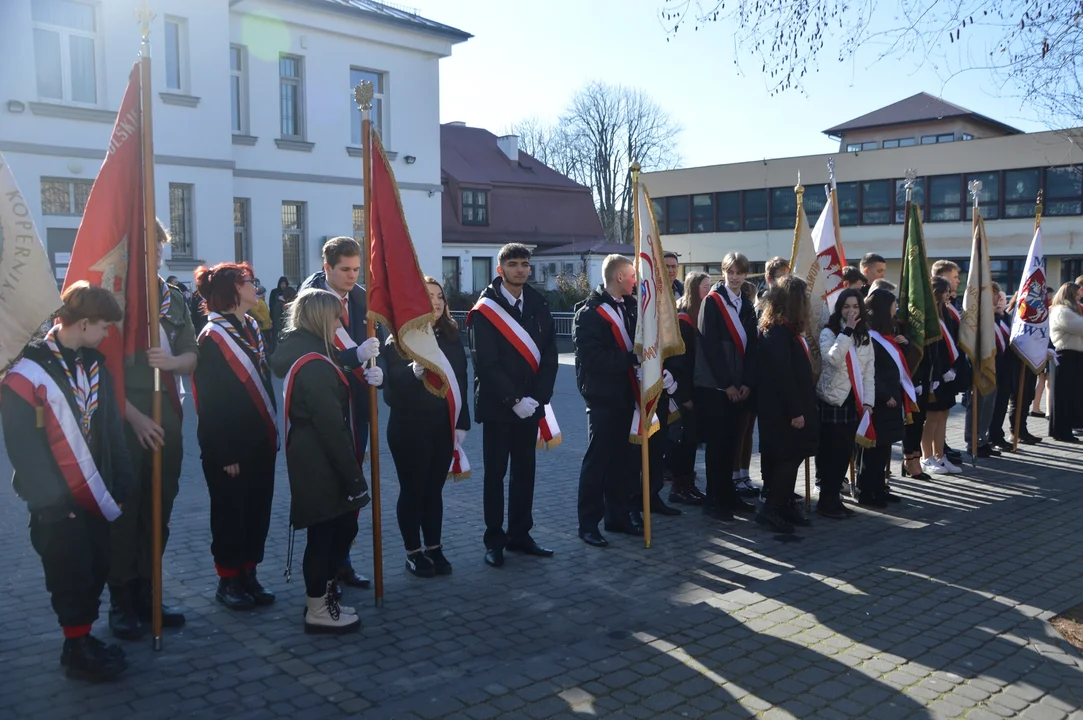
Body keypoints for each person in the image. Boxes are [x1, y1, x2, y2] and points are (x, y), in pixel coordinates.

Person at [1, 283, 133, 681]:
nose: (109, 333)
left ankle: (84, 638)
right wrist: (52, 502)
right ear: (84, 323)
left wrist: (121, 482)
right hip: (57, 502)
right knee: (69, 572)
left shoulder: (93, 364)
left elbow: (110, 430)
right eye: (105, 325)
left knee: (96, 566)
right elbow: (23, 446)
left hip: (95, 491)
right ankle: (75, 648)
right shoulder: (28, 371)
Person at [108, 220, 199, 641]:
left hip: (167, 411)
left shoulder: (173, 298)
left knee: (159, 506)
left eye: (160, 248)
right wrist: (132, 416)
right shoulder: (113, 299)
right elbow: (100, 371)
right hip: (126, 415)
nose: (157, 255)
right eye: (150, 248)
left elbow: (191, 354)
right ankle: (121, 599)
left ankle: (148, 589)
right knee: (126, 508)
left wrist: (172, 363)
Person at [271, 288, 381, 634]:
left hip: (315, 452)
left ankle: (325, 597)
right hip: (319, 456)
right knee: (325, 533)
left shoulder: (314, 350)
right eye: (336, 316)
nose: (341, 322)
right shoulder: (315, 363)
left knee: (336, 529)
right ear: (321, 317)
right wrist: (353, 477)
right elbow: (331, 426)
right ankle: (317, 607)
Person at [192, 263, 279, 611]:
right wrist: (223, 453)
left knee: (257, 509)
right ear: (232, 291)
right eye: (249, 282)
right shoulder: (212, 337)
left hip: (258, 439)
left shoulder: (252, 326)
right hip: (229, 448)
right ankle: (228, 579)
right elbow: (210, 401)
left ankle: (249, 573)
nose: (255, 287)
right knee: (231, 513)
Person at [469, 243, 558, 567]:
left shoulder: (537, 302)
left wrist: (538, 398)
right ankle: (494, 540)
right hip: (498, 407)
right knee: (495, 476)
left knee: (525, 473)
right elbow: (486, 363)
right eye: (513, 264)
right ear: (500, 269)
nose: (520, 269)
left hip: (530, 405)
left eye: (524, 264)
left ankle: (521, 535)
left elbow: (549, 355)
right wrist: (513, 399)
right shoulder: (485, 309)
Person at [300, 237, 382, 590]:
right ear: (327, 268)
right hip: (326, 412)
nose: (352, 277)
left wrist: (382, 373)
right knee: (330, 491)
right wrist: (354, 357)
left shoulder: (364, 298)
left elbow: (382, 346)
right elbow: (308, 356)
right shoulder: (308, 301)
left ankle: (343, 561)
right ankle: (325, 572)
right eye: (345, 270)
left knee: (352, 486)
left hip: (359, 409)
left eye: (356, 269)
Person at [386, 278, 470, 576]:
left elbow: (461, 378)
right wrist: (412, 373)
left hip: (442, 427)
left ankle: (434, 548)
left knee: (434, 491)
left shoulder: (450, 335)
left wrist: (462, 422)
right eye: (428, 296)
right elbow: (389, 393)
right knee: (413, 491)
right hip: (409, 429)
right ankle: (413, 552)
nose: (435, 302)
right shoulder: (401, 337)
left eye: (439, 297)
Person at [573, 254, 641, 547]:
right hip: (602, 397)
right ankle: (588, 524)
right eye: (633, 276)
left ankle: (618, 516)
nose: (636, 281)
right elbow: (592, 358)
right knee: (597, 463)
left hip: (628, 394)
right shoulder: (589, 313)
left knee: (624, 462)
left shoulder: (633, 306)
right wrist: (629, 358)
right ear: (619, 278)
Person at [694, 252, 758, 521]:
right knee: (718, 446)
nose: (734, 277)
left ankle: (729, 495)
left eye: (739, 272)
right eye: (729, 272)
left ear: (745, 275)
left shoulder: (747, 303)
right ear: (723, 272)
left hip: (739, 387)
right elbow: (710, 349)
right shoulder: (712, 302)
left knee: (733, 443)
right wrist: (727, 385)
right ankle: (714, 500)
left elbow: (753, 347)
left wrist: (746, 383)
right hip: (716, 388)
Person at [755, 275, 820, 534]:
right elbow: (782, 375)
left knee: (792, 457)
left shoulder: (787, 330)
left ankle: (783, 504)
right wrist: (796, 411)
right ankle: (771, 509)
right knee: (786, 458)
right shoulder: (777, 331)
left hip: (790, 408)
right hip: (783, 411)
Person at [814, 289, 874, 519]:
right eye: (847, 307)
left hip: (854, 400)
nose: (852, 311)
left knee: (844, 454)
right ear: (839, 309)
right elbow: (833, 358)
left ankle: (835, 500)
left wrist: (868, 402)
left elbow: (869, 371)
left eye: (856, 307)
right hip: (833, 400)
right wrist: (847, 330)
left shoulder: (864, 335)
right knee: (830, 453)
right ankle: (826, 501)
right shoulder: (829, 332)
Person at [861, 289, 907, 507]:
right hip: (880, 401)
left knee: (884, 449)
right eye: (892, 306)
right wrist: (885, 395)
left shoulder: (887, 333)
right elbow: (870, 371)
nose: (895, 310)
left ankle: (880, 487)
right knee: (874, 450)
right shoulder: (870, 337)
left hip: (891, 399)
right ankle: (868, 491)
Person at [668, 271, 711, 505]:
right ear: (694, 289)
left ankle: (689, 484)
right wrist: (684, 395)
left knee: (691, 440)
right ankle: (679, 487)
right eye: (705, 286)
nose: (709, 290)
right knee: (681, 441)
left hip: (695, 389)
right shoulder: (683, 318)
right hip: (682, 393)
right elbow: (680, 362)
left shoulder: (699, 314)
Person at [919, 276, 965, 475]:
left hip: (949, 374)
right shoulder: (927, 316)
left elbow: (953, 341)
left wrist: (953, 369)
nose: (949, 294)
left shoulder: (947, 314)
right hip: (934, 376)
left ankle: (940, 455)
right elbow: (930, 349)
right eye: (945, 290)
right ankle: (926, 457)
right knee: (932, 417)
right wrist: (940, 371)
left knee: (944, 414)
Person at [965, 281, 1004, 459]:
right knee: (978, 406)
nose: (998, 297)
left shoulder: (994, 317)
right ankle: (973, 441)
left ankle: (983, 439)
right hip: (980, 368)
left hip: (994, 368)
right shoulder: (978, 316)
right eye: (995, 293)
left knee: (988, 407)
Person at [1050, 282, 1083, 443]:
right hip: (1066, 356)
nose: (1079, 298)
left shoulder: (1070, 311)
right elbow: (1079, 327)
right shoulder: (1061, 311)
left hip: (1075, 356)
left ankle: (1068, 427)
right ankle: (1062, 431)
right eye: (1076, 295)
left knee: (1072, 396)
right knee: (1064, 396)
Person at [988, 289, 1015, 452]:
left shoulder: (1007, 318)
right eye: (997, 299)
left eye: (1003, 299)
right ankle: (991, 437)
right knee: (992, 405)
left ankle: (998, 435)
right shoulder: (989, 319)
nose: (1000, 302)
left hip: (1006, 368)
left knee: (1002, 404)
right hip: (992, 367)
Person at [1031, 286, 1057, 418]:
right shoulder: (1046, 311)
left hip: (1043, 347)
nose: (1051, 300)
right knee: (1047, 381)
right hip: (1047, 347)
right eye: (1050, 297)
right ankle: (1047, 410)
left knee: (1042, 380)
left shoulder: (1041, 310)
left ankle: (1036, 407)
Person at [269, 276, 293, 347]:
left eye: (285, 284)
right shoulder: (275, 292)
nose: (283, 285)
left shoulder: (289, 292)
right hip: (276, 318)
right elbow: (271, 305)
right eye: (282, 284)